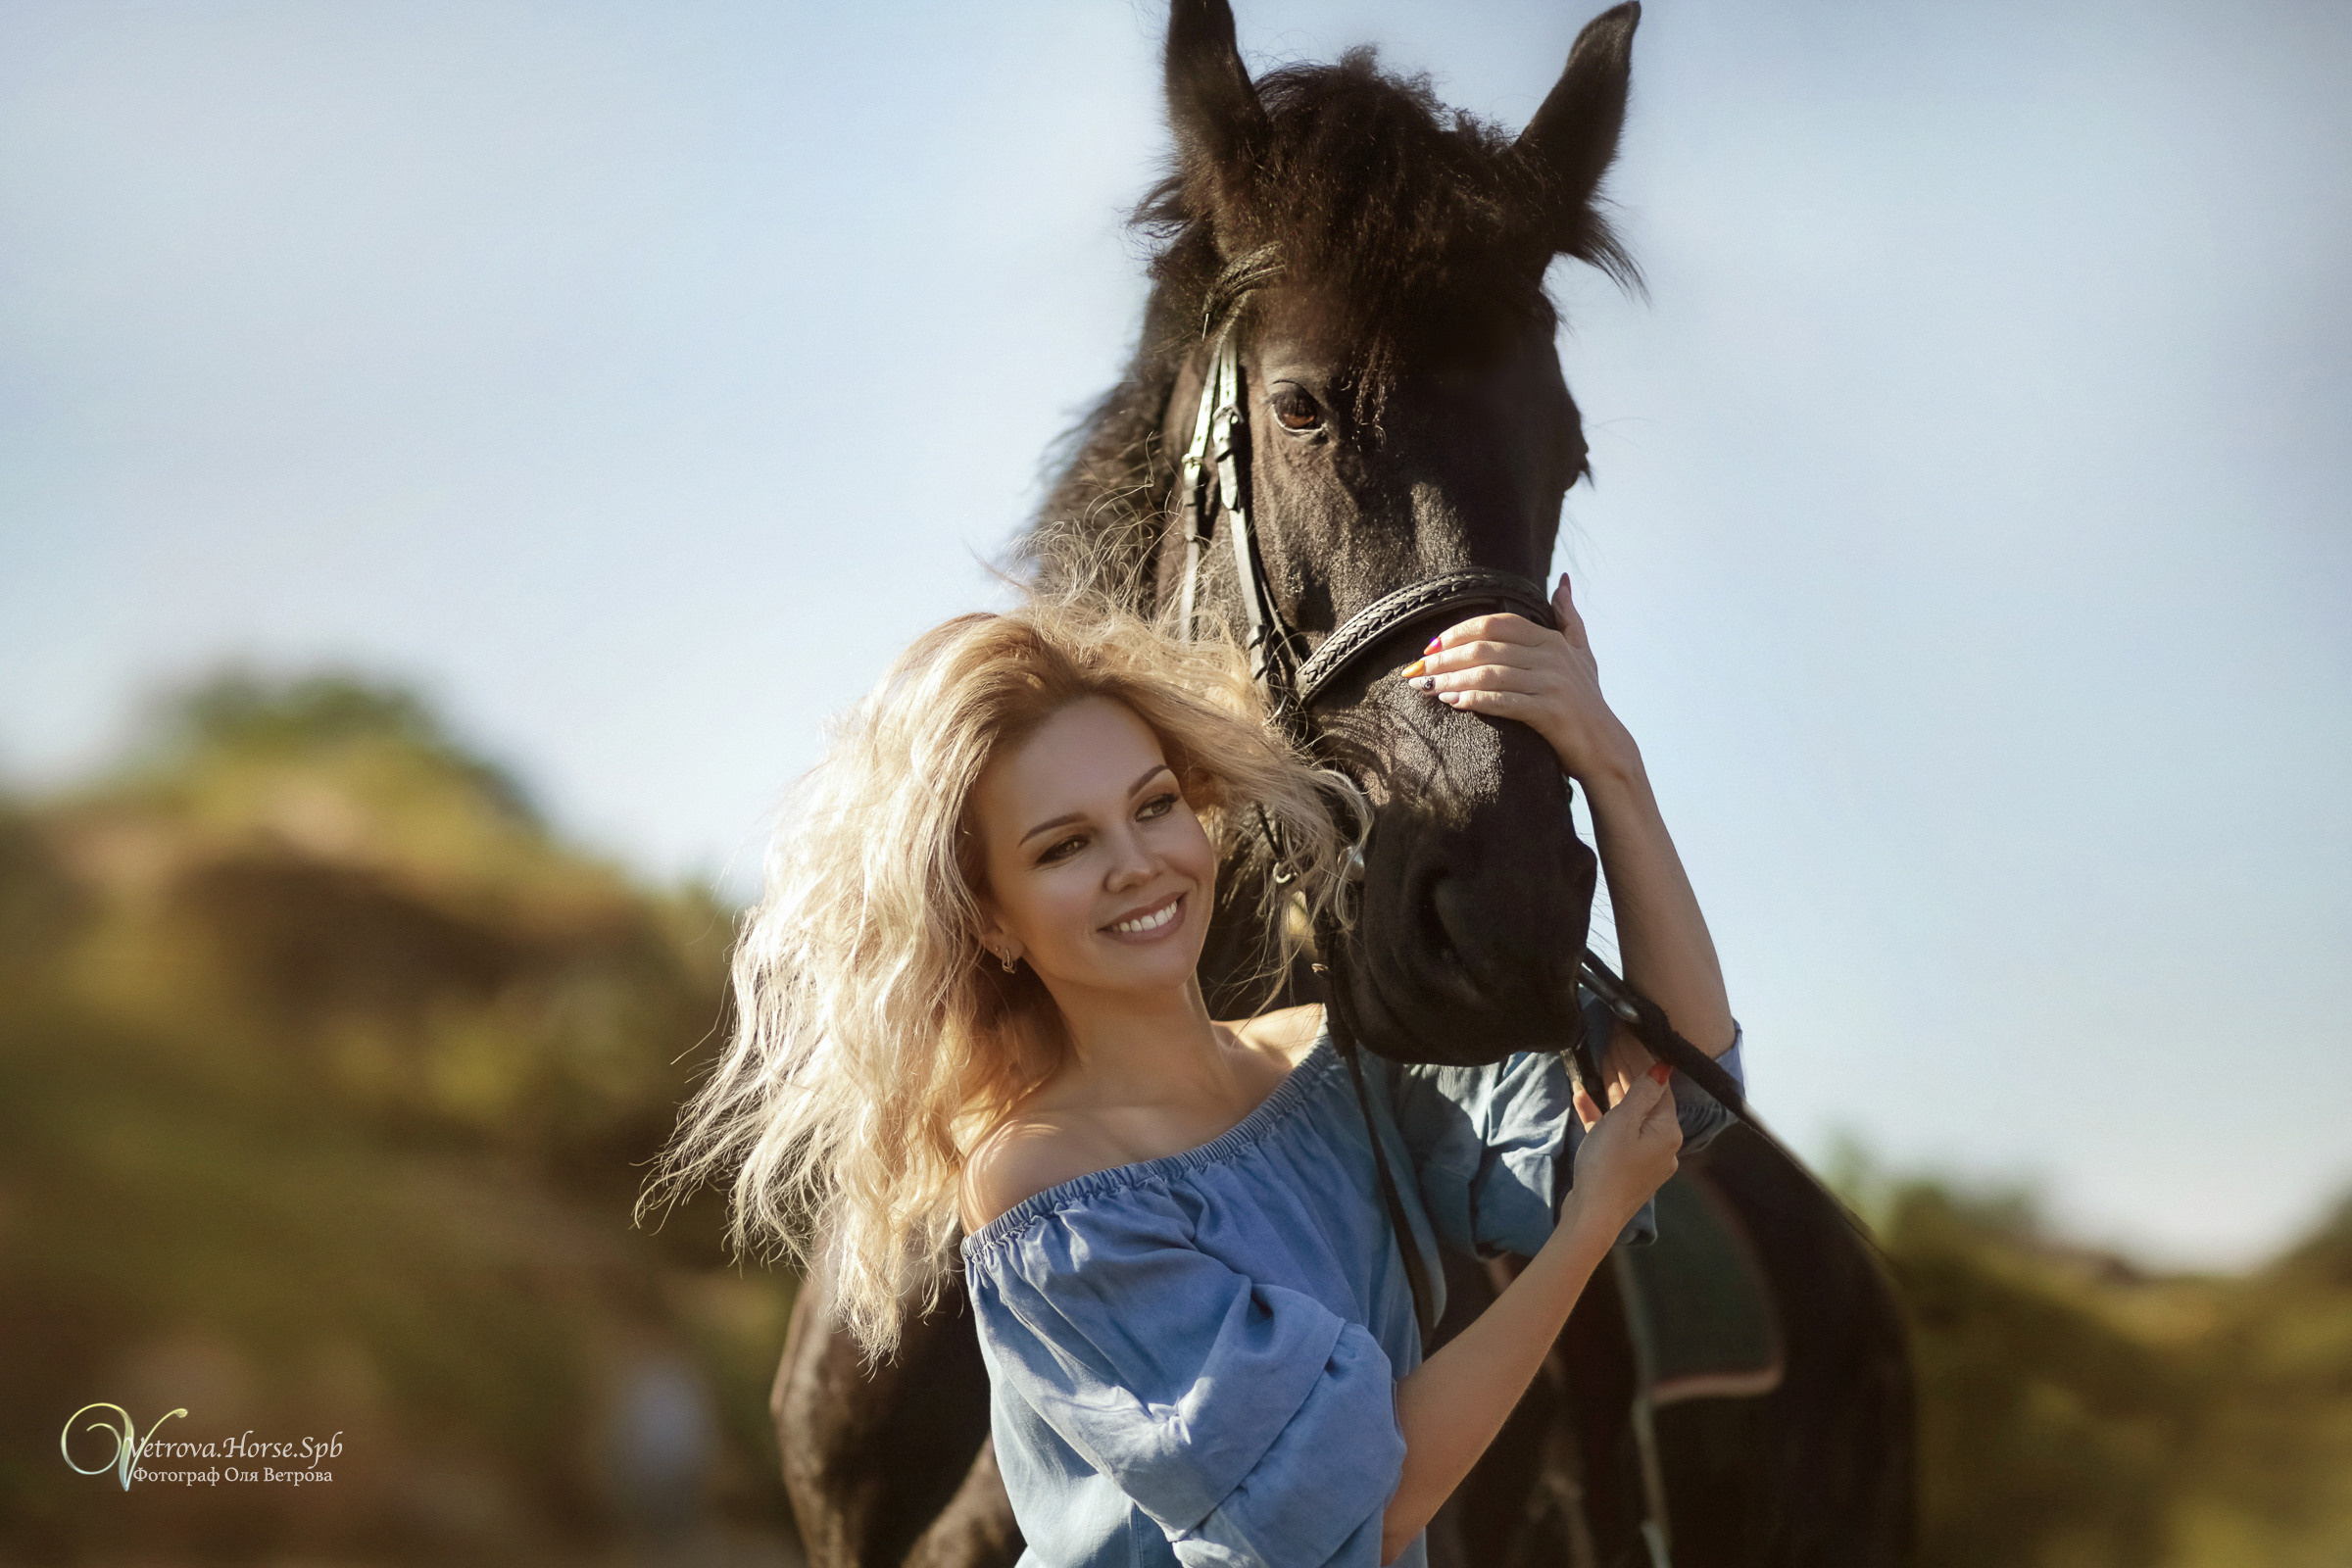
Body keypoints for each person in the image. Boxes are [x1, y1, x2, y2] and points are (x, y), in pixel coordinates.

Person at [643, 574, 1743, 1568]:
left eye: (1154, 804)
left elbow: (1675, 1085)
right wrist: (1585, 1232)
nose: (1138, 863)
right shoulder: (1043, 1184)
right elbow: (1354, 1511)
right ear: (991, 922)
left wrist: (1609, 763)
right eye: (1065, 846)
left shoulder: (1338, 1062)